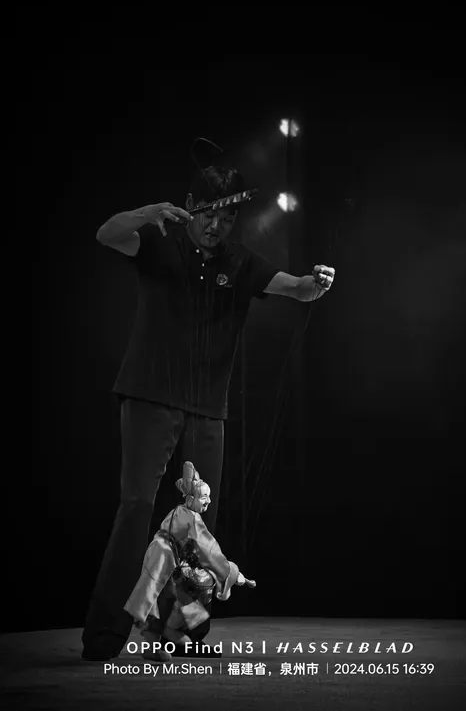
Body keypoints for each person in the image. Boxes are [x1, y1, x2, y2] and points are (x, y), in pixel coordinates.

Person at [82, 165, 335, 661]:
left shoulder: (240, 262)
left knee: (198, 523)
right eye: (208, 215)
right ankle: (106, 635)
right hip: (150, 395)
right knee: (137, 507)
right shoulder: (160, 244)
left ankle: (181, 635)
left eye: (228, 218)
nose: (216, 226)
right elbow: (106, 234)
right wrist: (149, 212)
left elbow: (295, 287)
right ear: (190, 206)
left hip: (206, 408)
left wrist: (315, 283)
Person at [125, 461, 255, 663]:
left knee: (158, 599)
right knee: (171, 597)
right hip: (164, 557)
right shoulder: (192, 518)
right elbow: (209, 552)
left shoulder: (179, 511)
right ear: (191, 498)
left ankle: (156, 645)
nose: (208, 501)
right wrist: (232, 572)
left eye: (209, 496)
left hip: (161, 554)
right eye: (204, 497)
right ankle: (173, 637)